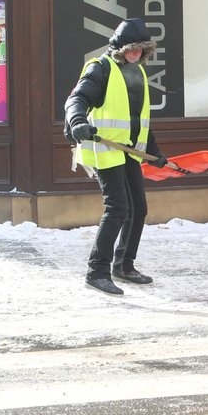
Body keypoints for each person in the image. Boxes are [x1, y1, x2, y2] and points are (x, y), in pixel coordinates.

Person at [64, 18, 170, 295]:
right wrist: (77, 121)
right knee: (118, 208)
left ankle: (124, 265)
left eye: (141, 50)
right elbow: (76, 99)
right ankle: (96, 271)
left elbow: (139, 119)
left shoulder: (139, 73)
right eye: (132, 49)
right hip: (105, 149)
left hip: (130, 152)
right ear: (120, 46)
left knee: (138, 209)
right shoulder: (101, 68)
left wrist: (154, 153)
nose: (136, 54)